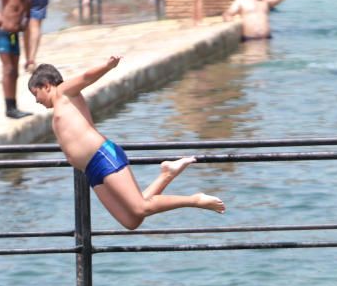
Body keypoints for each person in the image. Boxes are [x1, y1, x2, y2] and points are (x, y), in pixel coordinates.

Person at [28, 57, 225, 230]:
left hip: (103, 156)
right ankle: (166, 174)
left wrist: (107, 66)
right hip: (91, 171)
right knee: (131, 220)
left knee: (141, 207)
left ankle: (195, 200)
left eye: (35, 93)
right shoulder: (59, 108)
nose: (36, 100)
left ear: (47, 85)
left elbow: (87, 77)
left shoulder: (63, 93)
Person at [222, 0, 289, 40]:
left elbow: (276, 0)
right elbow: (228, 14)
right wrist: (230, 26)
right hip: (250, 41)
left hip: (267, 40)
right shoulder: (241, 1)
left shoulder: (266, 0)